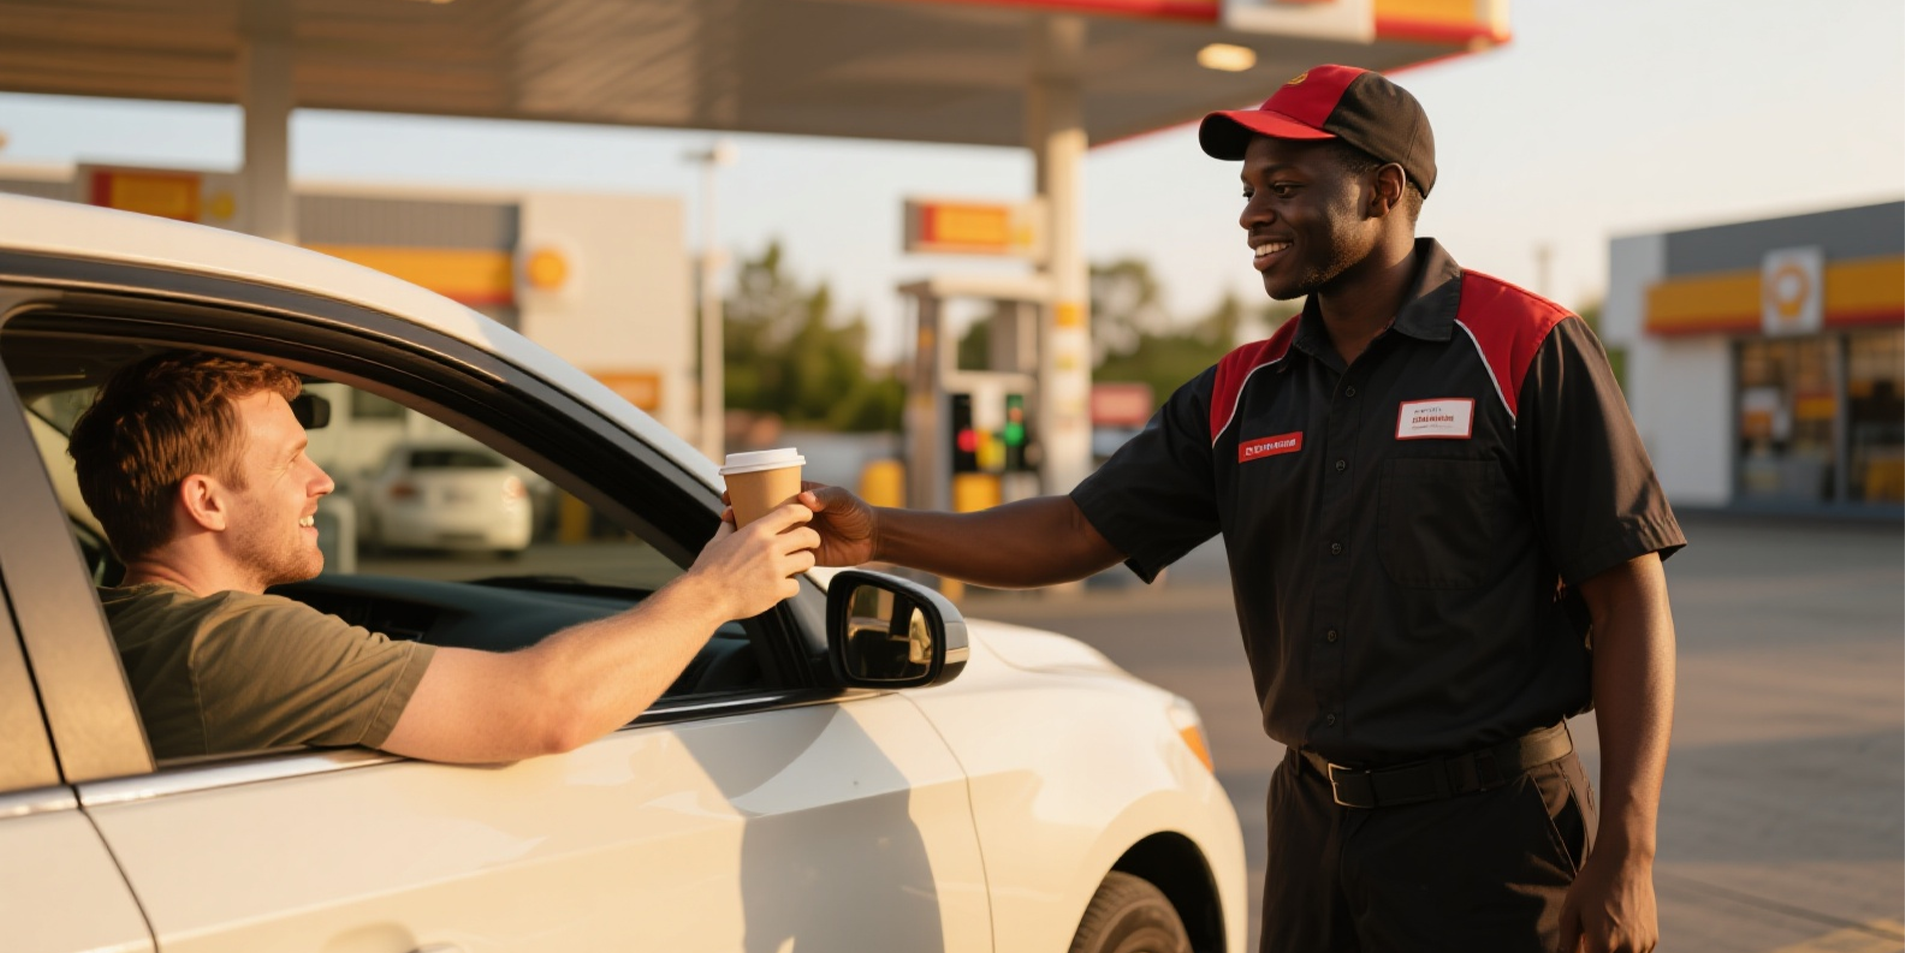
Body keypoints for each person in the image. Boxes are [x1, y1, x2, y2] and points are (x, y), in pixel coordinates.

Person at [799, 64, 1682, 953]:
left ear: (1383, 190)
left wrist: (1627, 853)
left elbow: (1628, 600)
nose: (1251, 212)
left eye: (1285, 186)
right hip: (1312, 832)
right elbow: (1073, 528)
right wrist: (874, 531)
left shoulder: (1524, 347)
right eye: (1249, 188)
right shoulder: (1239, 394)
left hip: (1492, 839)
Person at [68, 351, 818, 764]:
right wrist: (717, 592)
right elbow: (543, 708)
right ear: (205, 501)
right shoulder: (226, 645)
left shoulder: (103, 624)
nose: (321, 480)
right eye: (290, 460)